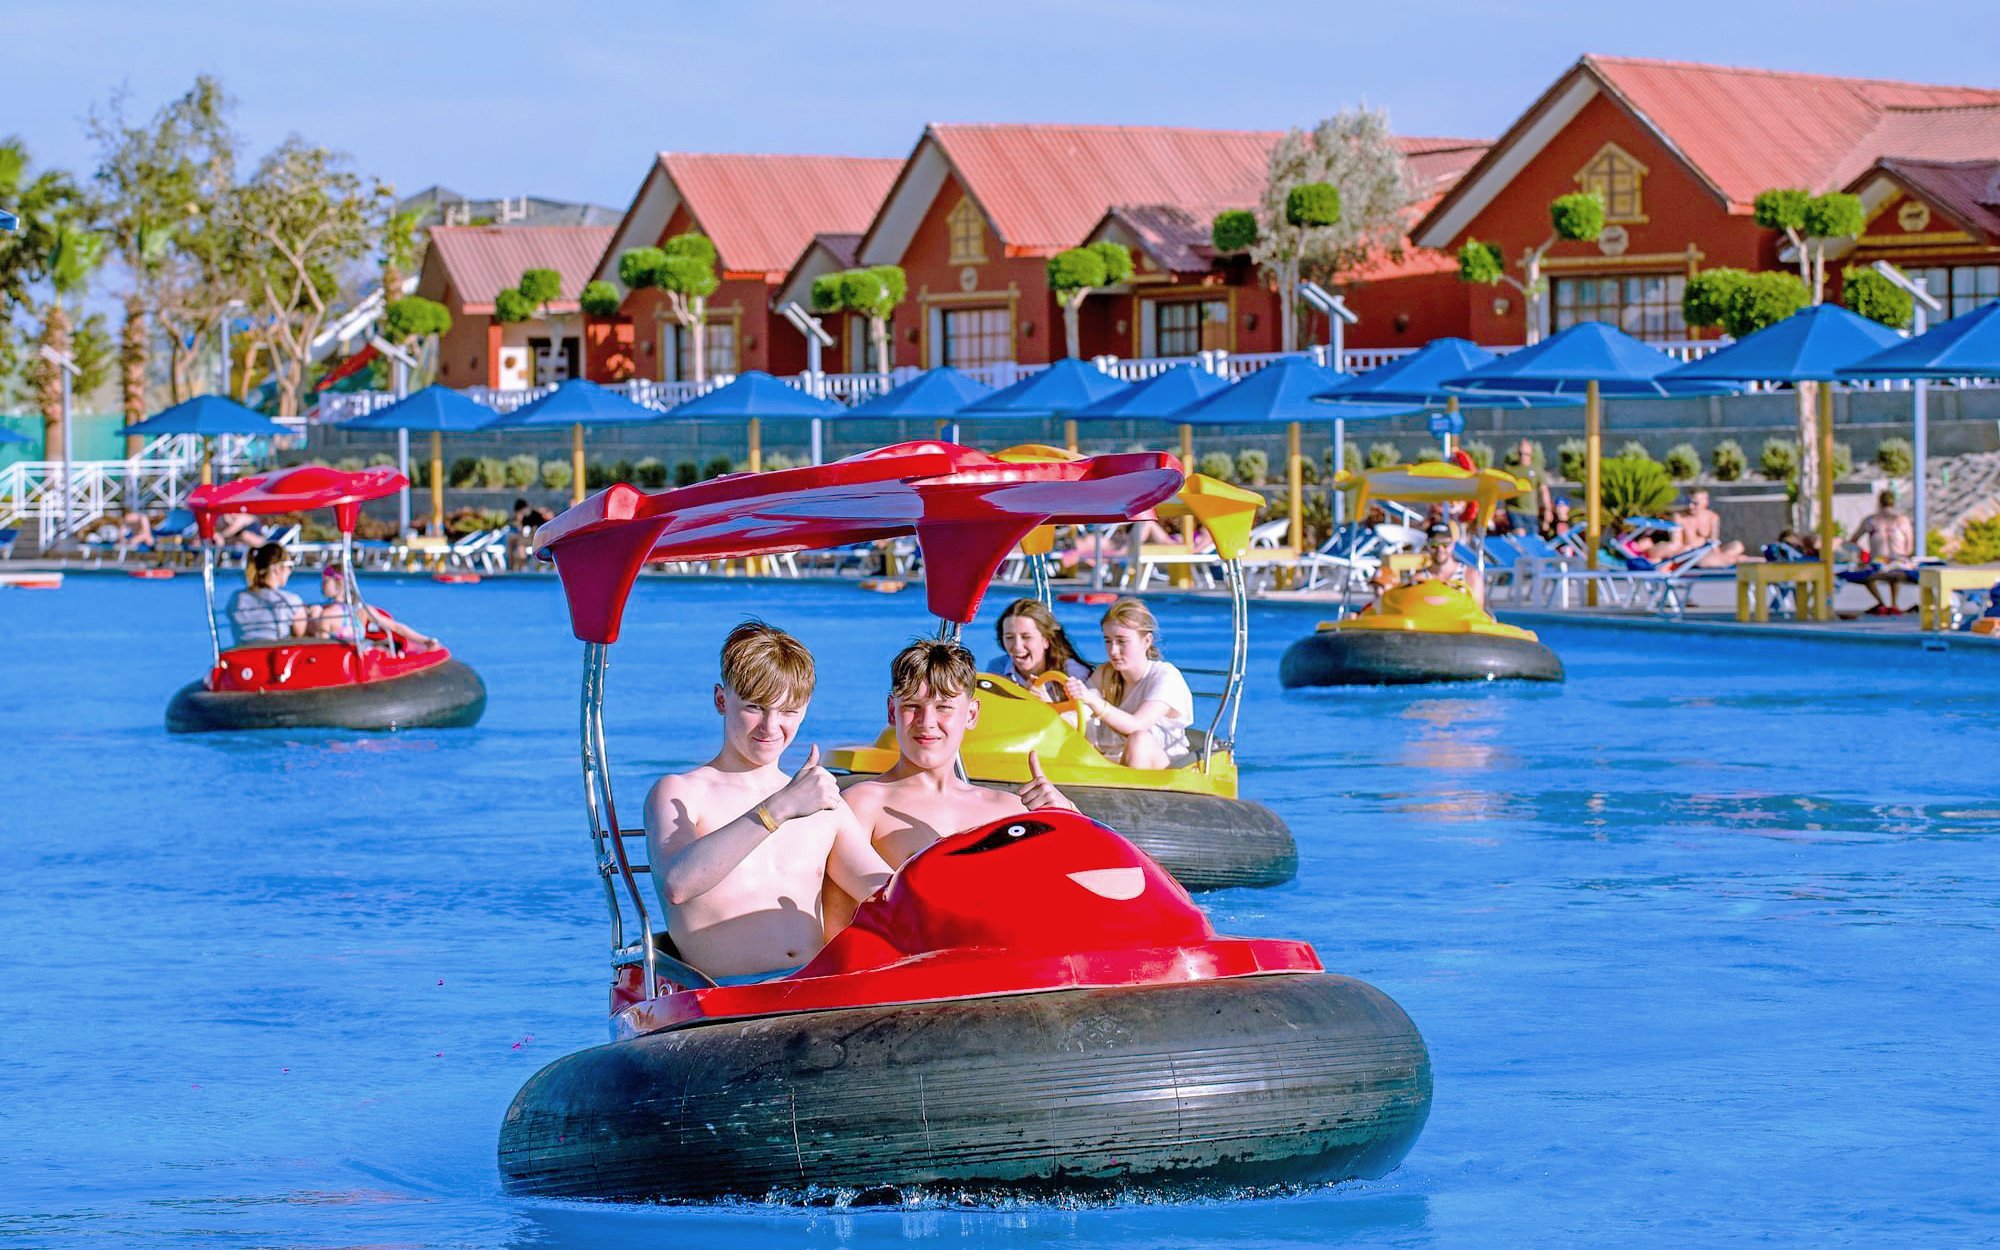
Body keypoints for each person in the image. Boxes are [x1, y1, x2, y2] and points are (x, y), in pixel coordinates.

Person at [642, 622, 892, 981]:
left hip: (813, 987)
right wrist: (779, 807)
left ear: (805, 709)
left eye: (788, 711)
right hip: (727, 996)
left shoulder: (820, 801)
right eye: (755, 707)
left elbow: (882, 891)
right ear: (721, 699)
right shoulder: (679, 791)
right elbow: (678, 884)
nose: (770, 726)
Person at [843, 637, 1077, 874]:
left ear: (971, 714)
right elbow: (835, 910)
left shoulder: (1011, 810)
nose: (927, 723)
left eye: (943, 707)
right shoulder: (862, 804)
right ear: (892, 711)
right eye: (912, 706)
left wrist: (1069, 817)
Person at [1062, 597, 1195, 770]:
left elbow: (1136, 725)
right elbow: (1080, 713)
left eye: (1121, 641)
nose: (1113, 651)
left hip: (1165, 768)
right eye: (1108, 641)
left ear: (1146, 641)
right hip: (1113, 764)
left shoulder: (1166, 677)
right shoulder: (1105, 673)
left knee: (1139, 740)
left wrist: (1093, 701)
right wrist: (1050, 706)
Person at [307, 566, 438, 650]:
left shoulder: (359, 610)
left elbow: (396, 627)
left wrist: (425, 640)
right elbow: (396, 627)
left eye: (325, 581)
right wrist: (425, 640)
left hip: (341, 654)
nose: (322, 585)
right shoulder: (360, 609)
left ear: (339, 582)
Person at [987, 598, 1092, 699]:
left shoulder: (1074, 674)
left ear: (1046, 640)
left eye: (1026, 637)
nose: (1017, 646)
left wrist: (1045, 705)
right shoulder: (996, 670)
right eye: (1009, 637)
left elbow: (1083, 715)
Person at [1848, 489, 1917, 615]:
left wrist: (1862, 556)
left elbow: (1853, 541)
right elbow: (1909, 548)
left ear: (1879, 502)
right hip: (1899, 562)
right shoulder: (1902, 520)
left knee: (1865, 573)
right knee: (1896, 570)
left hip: (1878, 562)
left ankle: (1881, 602)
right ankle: (1894, 603)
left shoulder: (1870, 521)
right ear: (1893, 502)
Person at [227, 543, 308, 643]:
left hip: (243, 654)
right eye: (289, 566)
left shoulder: (236, 598)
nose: (290, 571)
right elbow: (301, 637)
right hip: (277, 655)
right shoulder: (289, 601)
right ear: (277, 568)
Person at [1656, 489, 1744, 567]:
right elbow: (1676, 543)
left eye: (1695, 503)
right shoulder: (1679, 517)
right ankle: (1739, 559)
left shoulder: (1712, 517)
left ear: (1705, 503)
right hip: (1691, 554)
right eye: (1688, 502)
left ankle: (1734, 559)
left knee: (1737, 546)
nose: (1690, 506)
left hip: (1707, 550)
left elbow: (1714, 540)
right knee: (1717, 559)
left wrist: (1715, 551)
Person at [1421, 521, 1486, 607]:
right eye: (1434, 544)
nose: (1440, 549)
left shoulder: (1470, 576)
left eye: (1445, 544)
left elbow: (1478, 612)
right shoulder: (1419, 579)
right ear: (1427, 546)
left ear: (1452, 545)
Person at [1506, 438, 1551, 533]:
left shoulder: (1536, 470)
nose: (1523, 456)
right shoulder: (1510, 469)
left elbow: (1543, 490)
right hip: (1514, 510)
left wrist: (1548, 510)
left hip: (1531, 512)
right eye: (1520, 453)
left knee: (1531, 540)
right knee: (1519, 534)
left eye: (1526, 454)